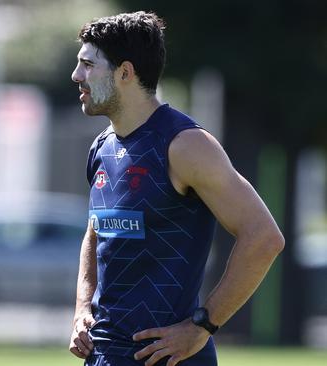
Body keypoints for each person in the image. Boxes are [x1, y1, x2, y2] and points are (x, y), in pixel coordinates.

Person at [68, 11, 284, 366]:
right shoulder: (101, 147)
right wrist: (81, 309)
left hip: (171, 359)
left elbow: (263, 237)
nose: (77, 76)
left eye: (88, 65)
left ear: (125, 72)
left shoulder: (185, 145)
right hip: (103, 355)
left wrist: (203, 325)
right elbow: (95, 233)